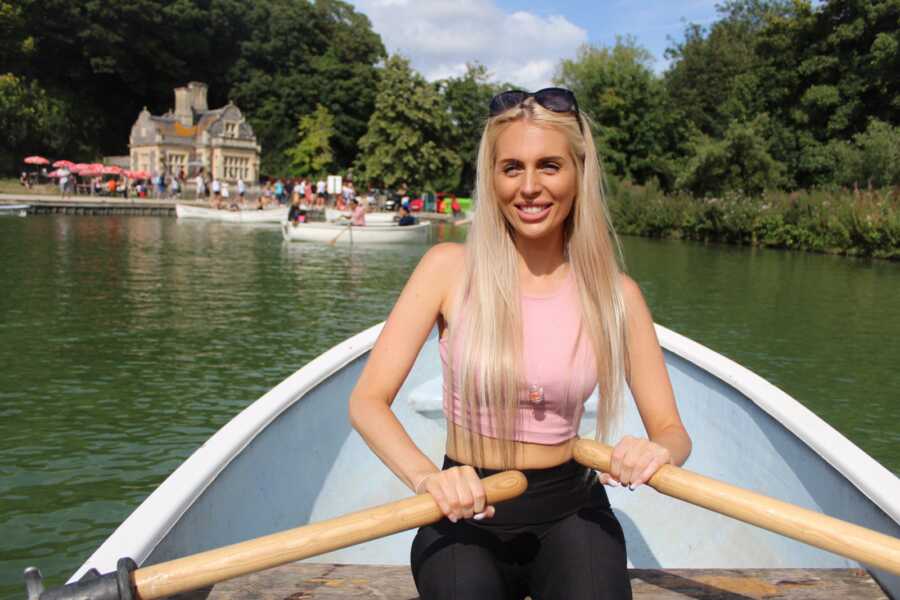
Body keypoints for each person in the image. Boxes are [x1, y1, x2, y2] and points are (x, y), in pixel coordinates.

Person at [347, 88, 691, 599]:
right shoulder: (447, 268)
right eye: (512, 168)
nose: (529, 187)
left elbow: (672, 431)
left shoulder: (618, 296)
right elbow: (367, 401)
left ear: (578, 173)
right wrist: (427, 480)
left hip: (571, 511)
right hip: (464, 511)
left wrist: (654, 450)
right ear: (492, 178)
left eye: (549, 166)